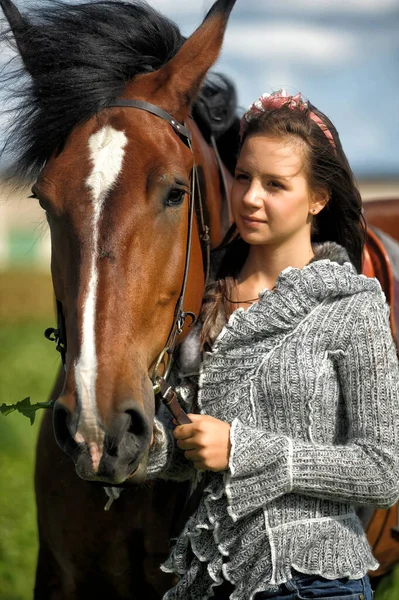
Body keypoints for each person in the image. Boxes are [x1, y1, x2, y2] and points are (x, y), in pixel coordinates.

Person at [148, 89, 399, 600]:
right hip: (208, 582)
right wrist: (135, 448)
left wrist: (241, 449)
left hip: (313, 586)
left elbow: (383, 470)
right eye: (243, 176)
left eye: (275, 185)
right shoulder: (200, 299)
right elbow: (193, 448)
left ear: (318, 198)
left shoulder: (351, 305)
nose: (250, 197)